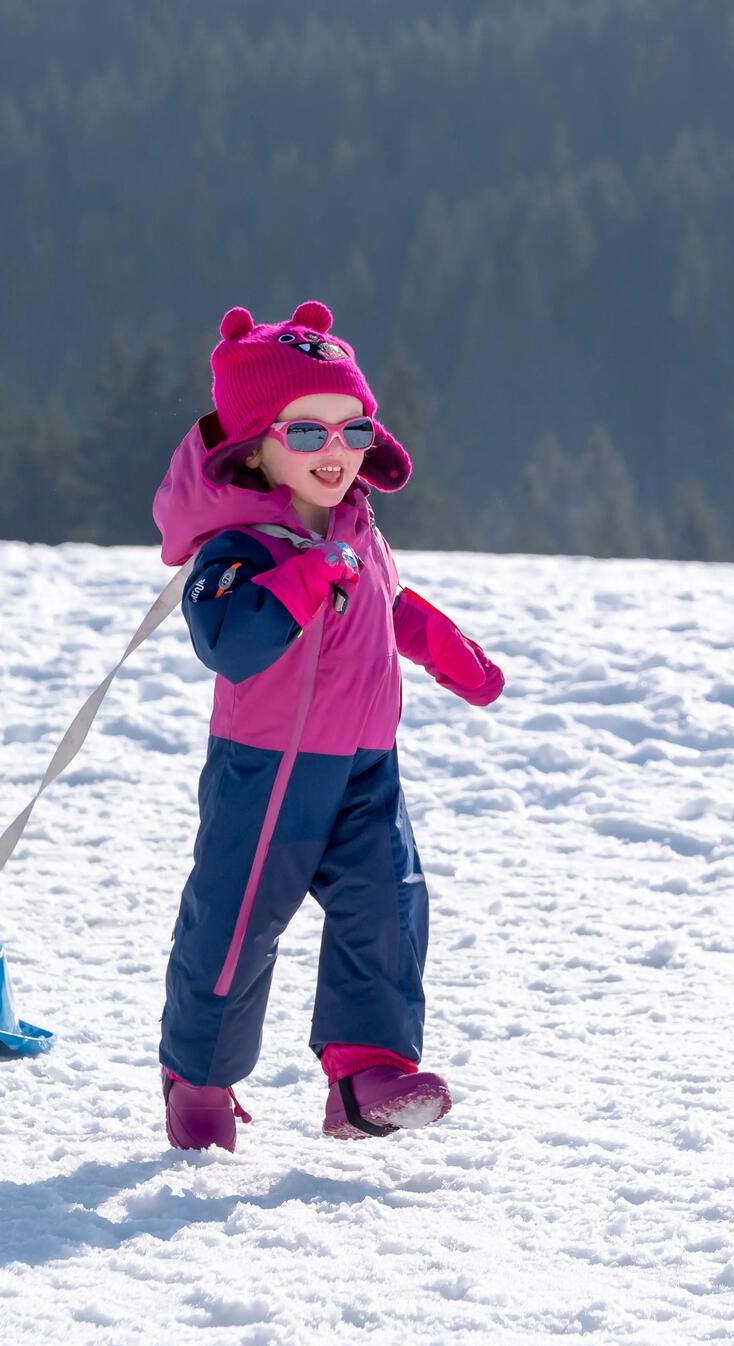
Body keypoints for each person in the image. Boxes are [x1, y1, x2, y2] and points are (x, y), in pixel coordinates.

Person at [150, 299, 504, 1152]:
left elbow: (375, 603)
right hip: (266, 767)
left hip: (364, 763)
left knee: (388, 903)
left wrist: (434, 638)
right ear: (256, 445)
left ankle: (365, 1073)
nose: (335, 452)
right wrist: (305, 580)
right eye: (306, 434)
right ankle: (199, 1079)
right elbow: (229, 641)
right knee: (235, 924)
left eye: (352, 431)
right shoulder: (237, 545)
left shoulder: (356, 525)